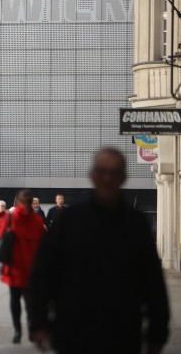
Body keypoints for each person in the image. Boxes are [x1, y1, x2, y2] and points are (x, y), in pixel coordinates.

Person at [29, 148, 169, 354]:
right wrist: (38, 322)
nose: (107, 178)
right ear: (93, 175)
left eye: (114, 172)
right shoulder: (70, 220)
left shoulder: (135, 224)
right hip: (74, 330)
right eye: (102, 171)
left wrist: (158, 332)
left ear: (123, 177)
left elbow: (152, 280)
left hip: (122, 331)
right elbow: (43, 272)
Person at [0, 189, 45, 345]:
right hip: (32, 267)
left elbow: (0, 237)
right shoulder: (38, 221)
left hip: (14, 267)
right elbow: (43, 244)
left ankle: (18, 331)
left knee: (15, 299)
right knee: (31, 301)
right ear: (32, 203)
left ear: (17, 202)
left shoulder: (10, 219)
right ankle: (32, 328)